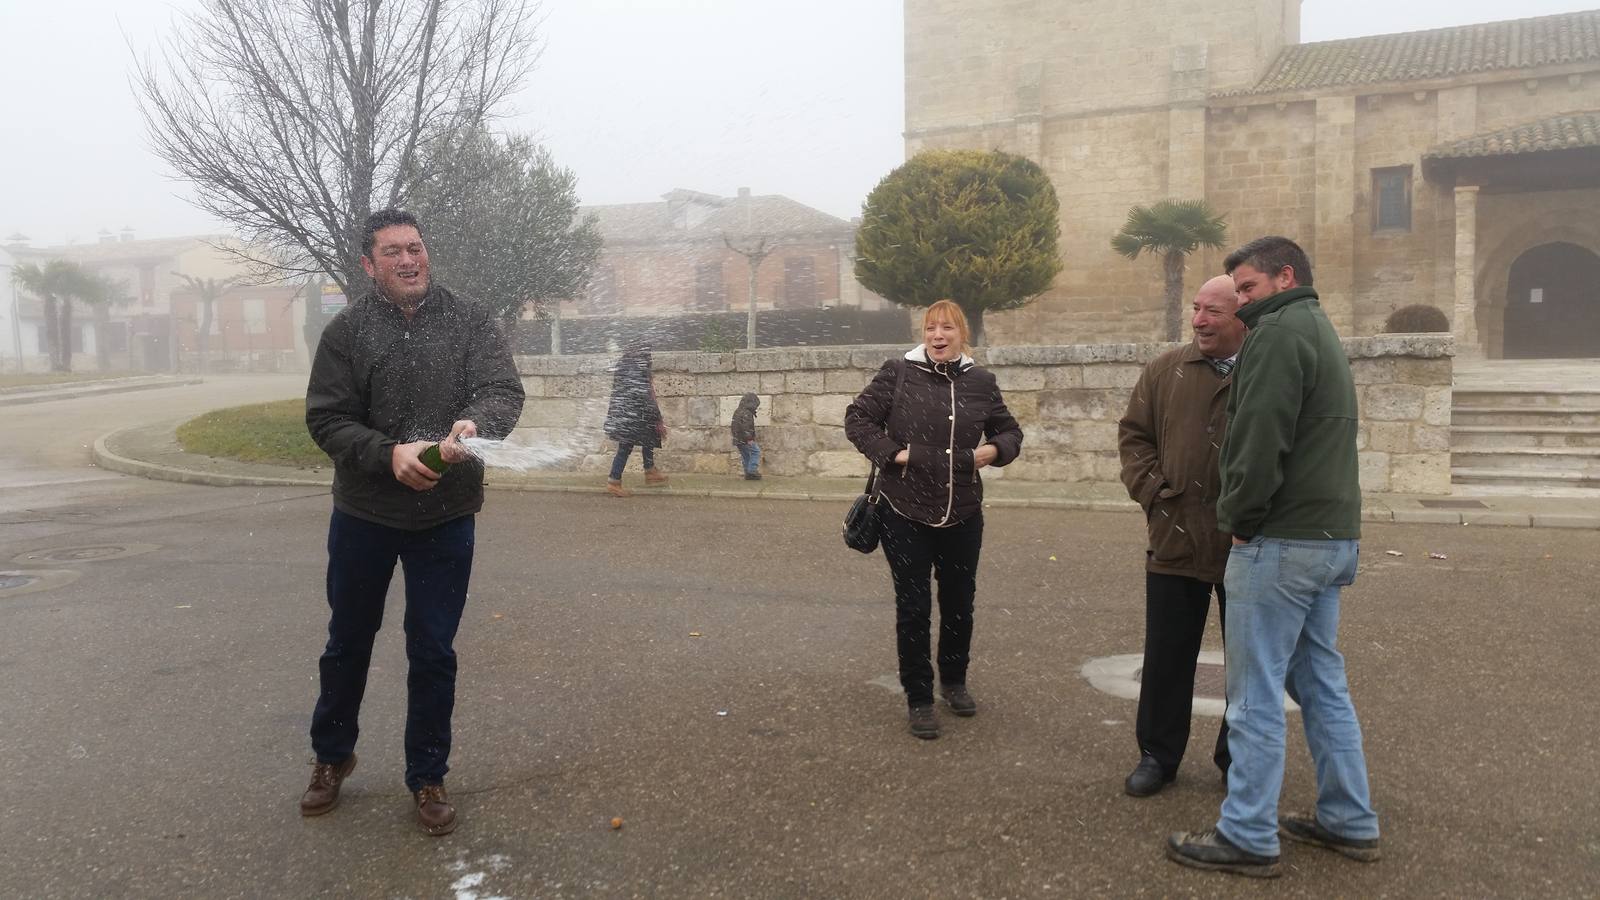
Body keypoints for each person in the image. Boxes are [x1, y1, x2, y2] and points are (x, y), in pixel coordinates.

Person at [301, 208, 525, 836]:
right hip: (365, 515)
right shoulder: (346, 333)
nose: (409, 259)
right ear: (369, 265)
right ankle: (331, 756)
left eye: (416, 247)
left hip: (446, 517)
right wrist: (387, 454)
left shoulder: (470, 319)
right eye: (393, 251)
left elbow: (503, 391)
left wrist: (476, 423)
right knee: (348, 642)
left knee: (432, 651)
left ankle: (428, 773)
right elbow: (326, 419)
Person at [1166, 236, 1378, 878]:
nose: (1242, 303)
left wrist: (1238, 521)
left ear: (1285, 276)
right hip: (1330, 539)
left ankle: (1248, 834)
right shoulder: (1318, 328)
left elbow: (1258, 441)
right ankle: (1350, 819)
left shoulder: (1278, 334)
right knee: (1320, 684)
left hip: (1280, 542)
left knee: (1254, 692)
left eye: (1249, 289)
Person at [844, 300, 1023, 740]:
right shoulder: (898, 372)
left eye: (946, 328)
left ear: (963, 334)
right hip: (903, 510)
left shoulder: (982, 381)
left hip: (963, 512)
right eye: (930, 328)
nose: (937, 336)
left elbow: (1010, 431)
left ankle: (955, 681)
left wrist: (996, 450)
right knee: (914, 606)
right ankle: (919, 697)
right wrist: (895, 454)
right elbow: (858, 419)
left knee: (960, 602)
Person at [1117, 275, 1245, 798]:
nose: (1199, 320)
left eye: (1213, 311)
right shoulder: (1164, 371)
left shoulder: (1266, 369)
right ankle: (1157, 755)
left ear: (1242, 317)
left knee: (1247, 659)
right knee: (1168, 655)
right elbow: (1134, 437)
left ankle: (1237, 759)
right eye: (1196, 309)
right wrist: (1155, 495)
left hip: (1246, 543)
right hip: (1175, 534)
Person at [603, 339, 668, 497]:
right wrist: (657, 418)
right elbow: (644, 394)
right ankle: (614, 481)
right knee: (625, 447)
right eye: (648, 352)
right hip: (630, 415)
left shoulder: (627, 363)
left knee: (650, 435)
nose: (650, 356)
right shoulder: (636, 367)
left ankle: (650, 470)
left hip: (629, 414)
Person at [731, 392, 762, 480]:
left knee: (746, 455)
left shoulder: (738, 411)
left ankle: (748, 472)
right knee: (756, 451)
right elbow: (746, 427)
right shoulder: (746, 412)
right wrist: (749, 439)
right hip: (745, 439)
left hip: (738, 439)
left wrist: (736, 437)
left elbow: (734, 426)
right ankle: (752, 471)